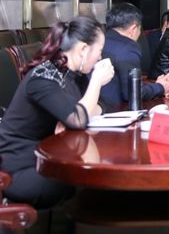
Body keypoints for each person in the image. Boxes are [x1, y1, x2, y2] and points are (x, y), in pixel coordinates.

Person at [0, 17, 115, 208]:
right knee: (94, 181)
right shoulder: (43, 77)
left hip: (50, 158)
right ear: (84, 49)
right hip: (21, 169)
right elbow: (79, 119)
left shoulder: (71, 74)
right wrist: (95, 83)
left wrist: (79, 112)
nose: (100, 58)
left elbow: (102, 105)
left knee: (101, 174)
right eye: (99, 51)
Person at [100, 3, 169, 109]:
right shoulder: (128, 47)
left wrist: (156, 85)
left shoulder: (101, 40)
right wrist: (161, 87)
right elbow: (133, 92)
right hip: (115, 111)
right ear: (134, 28)